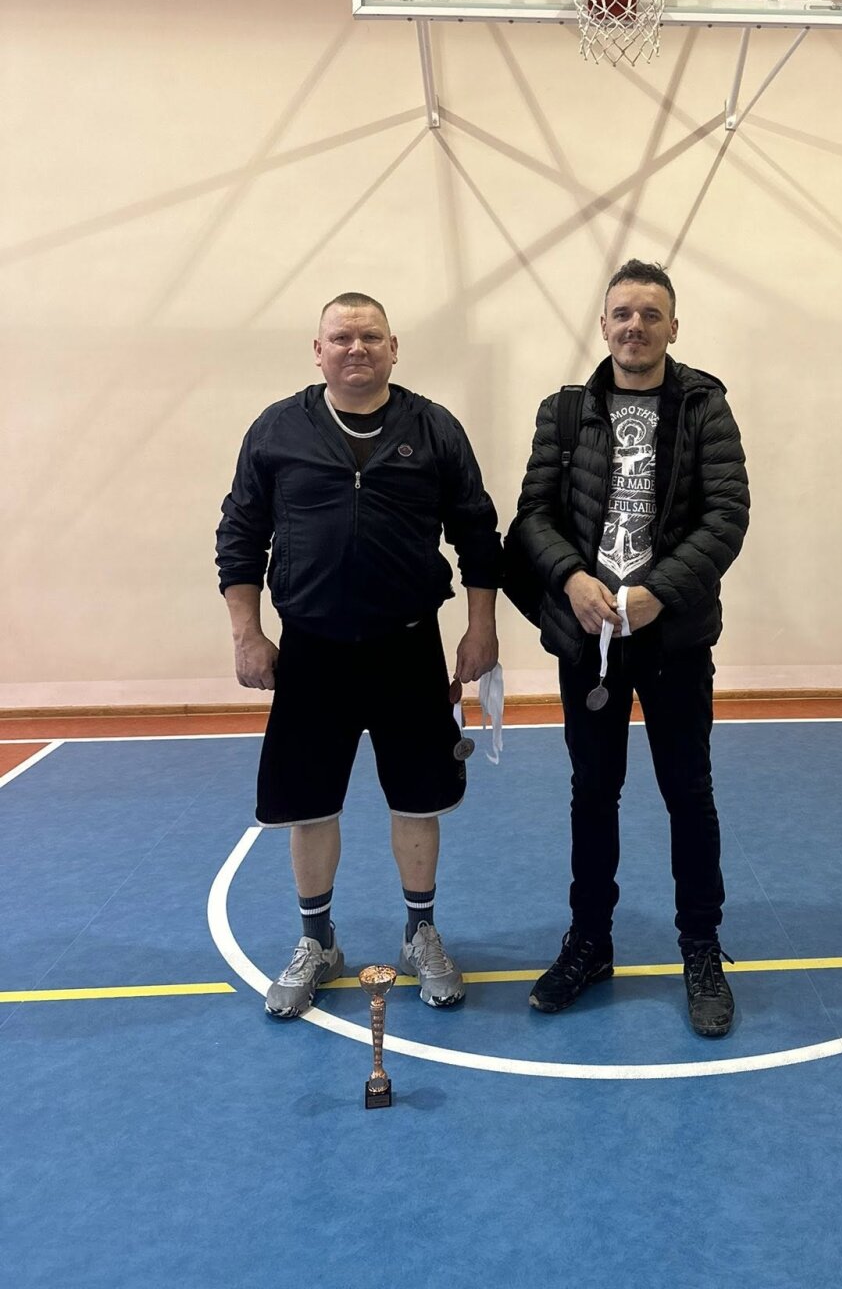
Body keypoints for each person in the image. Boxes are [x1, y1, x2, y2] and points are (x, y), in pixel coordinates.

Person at [216, 292, 501, 1019]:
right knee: (308, 805)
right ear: (318, 351)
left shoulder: (434, 428)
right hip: (312, 651)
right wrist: (247, 634)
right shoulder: (278, 429)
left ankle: (419, 933)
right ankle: (317, 942)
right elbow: (240, 534)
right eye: (341, 338)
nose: (356, 348)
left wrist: (481, 628)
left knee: (419, 798)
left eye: (370, 336)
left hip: (408, 646)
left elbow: (477, 532)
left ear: (393, 348)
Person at [511, 260, 750, 1037]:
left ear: (673, 327)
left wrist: (659, 593)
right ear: (604, 324)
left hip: (674, 638)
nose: (635, 326)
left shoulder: (705, 406)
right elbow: (533, 515)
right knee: (593, 792)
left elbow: (727, 516)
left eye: (651, 314)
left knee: (689, 793)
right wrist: (572, 578)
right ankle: (590, 943)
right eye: (623, 313)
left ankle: (701, 948)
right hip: (589, 642)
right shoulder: (565, 411)